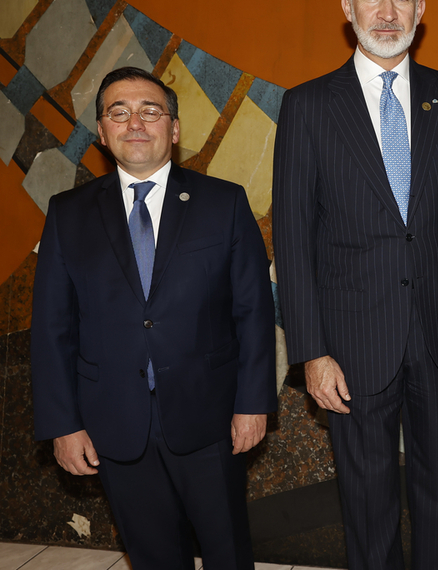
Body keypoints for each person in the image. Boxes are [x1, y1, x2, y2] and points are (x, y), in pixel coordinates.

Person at [272, 0, 438, 570]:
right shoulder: (308, 107)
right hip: (349, 345)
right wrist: (311, 351)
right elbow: (291, 243)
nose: (387, 11)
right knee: (366, 504)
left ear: (421, 8)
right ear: (347, 6)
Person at [31, 66, 277, 569]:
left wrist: (254, 403)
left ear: (175, 127)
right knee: (152, 558)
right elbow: (53, 328)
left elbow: (253, 311)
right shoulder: (67, 214)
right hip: (114, 424)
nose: (135, 123)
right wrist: (63, 424)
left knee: (228, 553)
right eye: (118, 112)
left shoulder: (224, 203)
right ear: (101, 132)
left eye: (150, 110)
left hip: (210, 419)